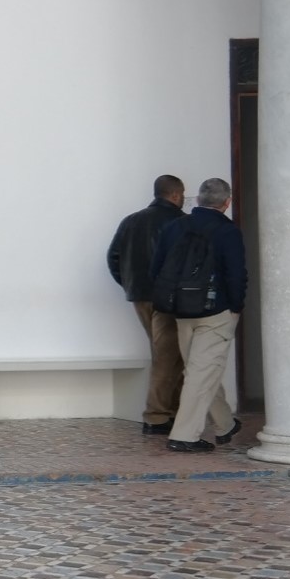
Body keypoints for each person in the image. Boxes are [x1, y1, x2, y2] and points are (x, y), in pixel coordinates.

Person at [150, 177, 246, 453]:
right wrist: (236, 307)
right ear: (227, 203)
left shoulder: (174, 227)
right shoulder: (228, 231)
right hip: (215, 313)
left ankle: (225, 424)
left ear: (198, 200)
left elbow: (156, 269)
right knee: (201, 373)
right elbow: (236, 275)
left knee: (200, 370)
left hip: (181, 312)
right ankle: (184, 436)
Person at [107, 175, 187, 434]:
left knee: (167, 355)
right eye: (183, 195)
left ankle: (173, 411)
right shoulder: (180, 222)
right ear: (175, 195)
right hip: (168, 299)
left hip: (140, 296)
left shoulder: (131, 221)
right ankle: (156, 416)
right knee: (168, 358)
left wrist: (130, 285)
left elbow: (114, 257)